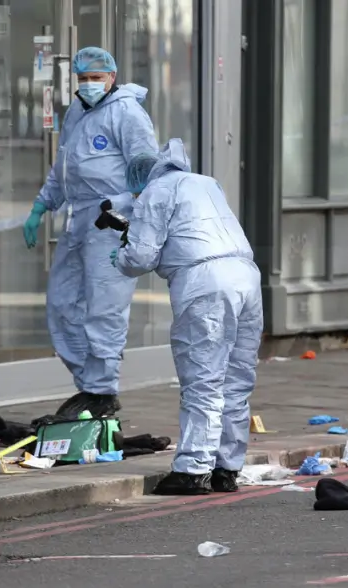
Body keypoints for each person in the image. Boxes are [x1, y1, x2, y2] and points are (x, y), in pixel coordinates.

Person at [111, 139, 264, 495]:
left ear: (141, 180)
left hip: (205, 282)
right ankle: (226, 468)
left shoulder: (154, 192)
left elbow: (141, 257)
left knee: (202, 378)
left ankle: (193, 470)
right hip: (246, 275)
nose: (135, 196)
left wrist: (120, 256)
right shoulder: (205, 183)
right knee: (236, 380)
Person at [22, 47, 159, 418]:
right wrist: (41, 205)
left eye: (96, 77)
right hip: (78, 218)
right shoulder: (77, 112)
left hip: (111, 220)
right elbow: (63, 167)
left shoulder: (128, 114)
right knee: (62, 303)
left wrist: (125, 210)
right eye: (82, 78)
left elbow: (147, 173)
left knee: (104, 307)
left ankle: (101, 389)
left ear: (111, 77)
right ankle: (91, 386)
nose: (88, 84)